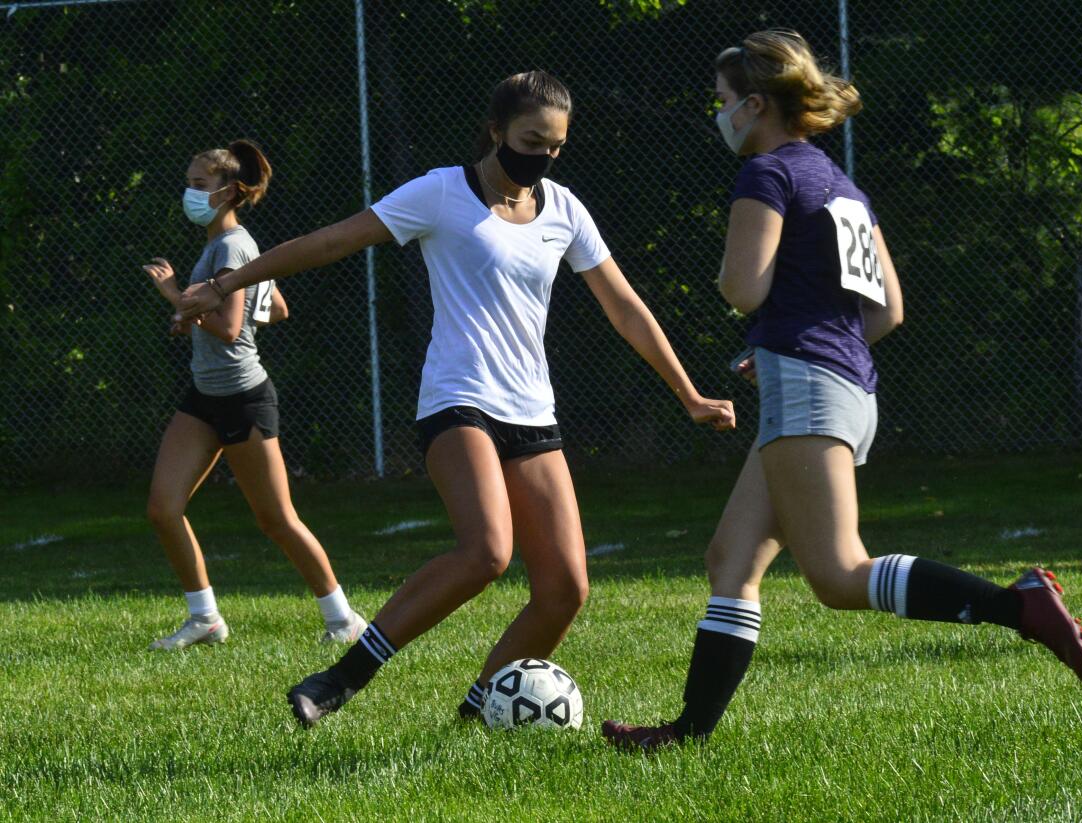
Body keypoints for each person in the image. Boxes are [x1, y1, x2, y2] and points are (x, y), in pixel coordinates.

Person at [173, 72, 736, 727]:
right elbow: (331, 240)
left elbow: (625, 307)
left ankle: (476, 714)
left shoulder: (562, 209)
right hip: (458, 400)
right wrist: (228, 283)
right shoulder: (441, 192)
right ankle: (338, 678)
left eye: (557, 146)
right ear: (496, 131)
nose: (545, 156)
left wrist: (689, 392)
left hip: (533, 412)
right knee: (488, 551)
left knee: (564, 591)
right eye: (532, 141)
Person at [601, 30, 1082, 751]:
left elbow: (742, 288)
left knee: (837, 573)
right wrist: (794, 345)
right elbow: (887, 311)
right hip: (838, 384)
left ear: (757, 103)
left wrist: (779, 332)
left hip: (809, 387)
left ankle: (1015, 605)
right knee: (731, 559)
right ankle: (686, 733)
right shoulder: (843, 186)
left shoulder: (767, 173)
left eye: (723, 102)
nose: (719, 115)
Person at [143, 140, 366, 651]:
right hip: (205, 395)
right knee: (163, 507)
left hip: (244, 398)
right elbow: (277, 308)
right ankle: (205, 619)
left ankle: (344, 619)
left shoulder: (231, 247)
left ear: (227, 193)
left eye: (198, 185)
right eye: (190, 182)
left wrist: (177, 296)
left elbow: (230, 326)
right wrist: (192, 317)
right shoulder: (224, 246)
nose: (189, 192)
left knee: (276, 519)